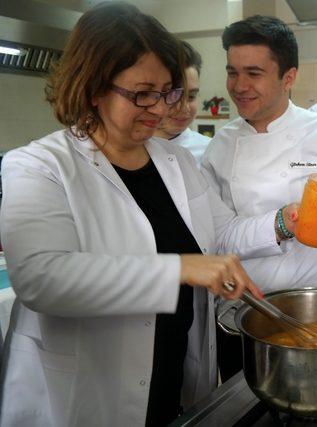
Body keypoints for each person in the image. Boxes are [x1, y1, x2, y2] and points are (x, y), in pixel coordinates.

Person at [0, 3, 291, 426]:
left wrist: (285, 222)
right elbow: (43, 279)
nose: (159, 108)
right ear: (94, 87)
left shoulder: (177, 162)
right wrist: (179, 268)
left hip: (173, 378)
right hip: (87, 390)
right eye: (142, 93)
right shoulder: (40, 165)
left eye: (168, 90)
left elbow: (223, 234)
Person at [202, 15, 317, 381]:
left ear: (289, 77)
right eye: (232, 72)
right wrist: (281, 223)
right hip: (243, 310)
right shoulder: (219, 147)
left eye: (253, 73)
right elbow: (217, 238)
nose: (239, 86)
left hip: (316, 311)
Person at [155, 40, 211, 164]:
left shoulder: (210, 151)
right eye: (173, 95)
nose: (184, 108)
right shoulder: (123, 150)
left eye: (191, 96)